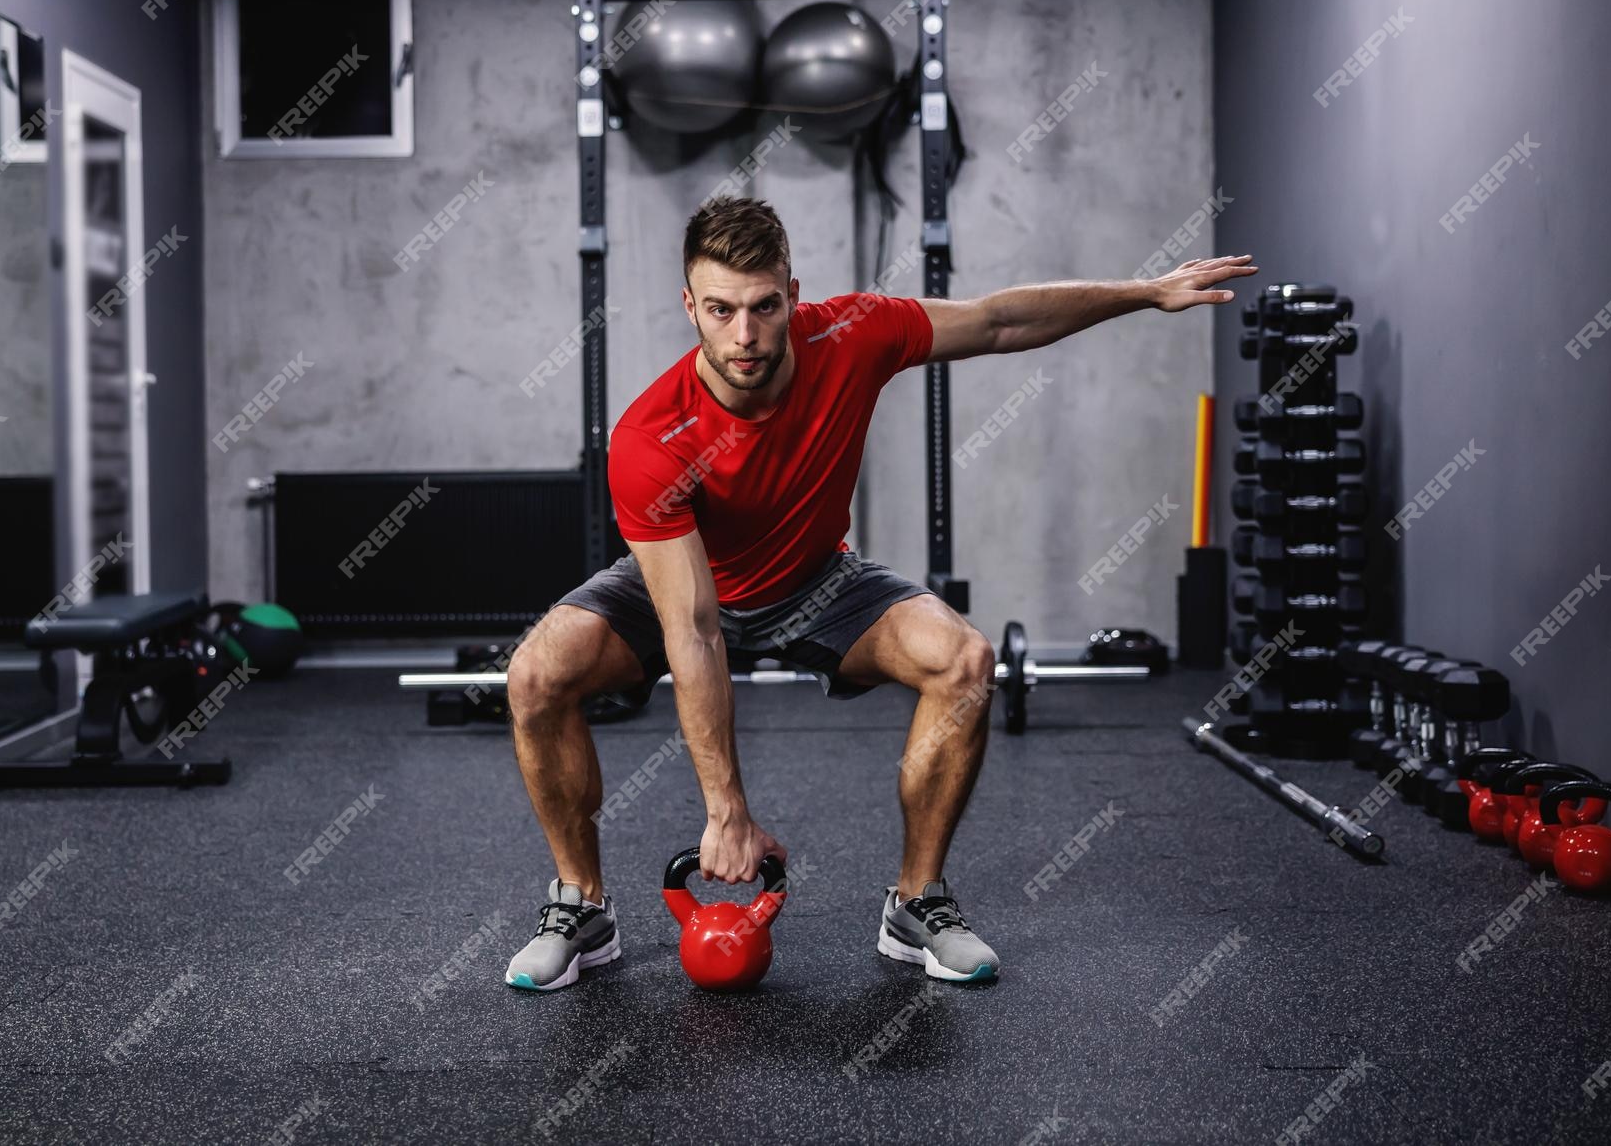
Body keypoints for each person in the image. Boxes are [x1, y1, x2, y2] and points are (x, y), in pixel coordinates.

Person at [502, 197, 1255, 990]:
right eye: (720, 310)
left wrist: (1146, 291)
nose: (745, 335)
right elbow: (692, 628)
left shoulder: (851, 332)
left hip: (816, 578)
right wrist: (727, 810)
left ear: (794, 293)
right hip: (682, 583)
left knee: (963, 660)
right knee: (536, 675)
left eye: (764, 307)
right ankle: (582, 904)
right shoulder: (651, 438)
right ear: (690, 304)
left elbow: (998, 321)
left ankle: (916, 901)